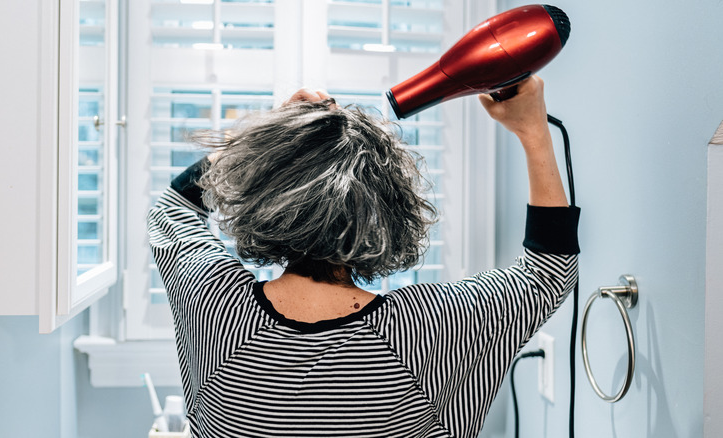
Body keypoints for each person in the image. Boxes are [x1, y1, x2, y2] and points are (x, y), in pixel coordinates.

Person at [148, 76, 579, 438]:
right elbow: (549, 272)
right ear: (389, 208)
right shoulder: (428, 329)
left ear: (266, 195)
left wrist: (274, 139)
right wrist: (533, 131)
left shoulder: (215, 311)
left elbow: (171, 207)